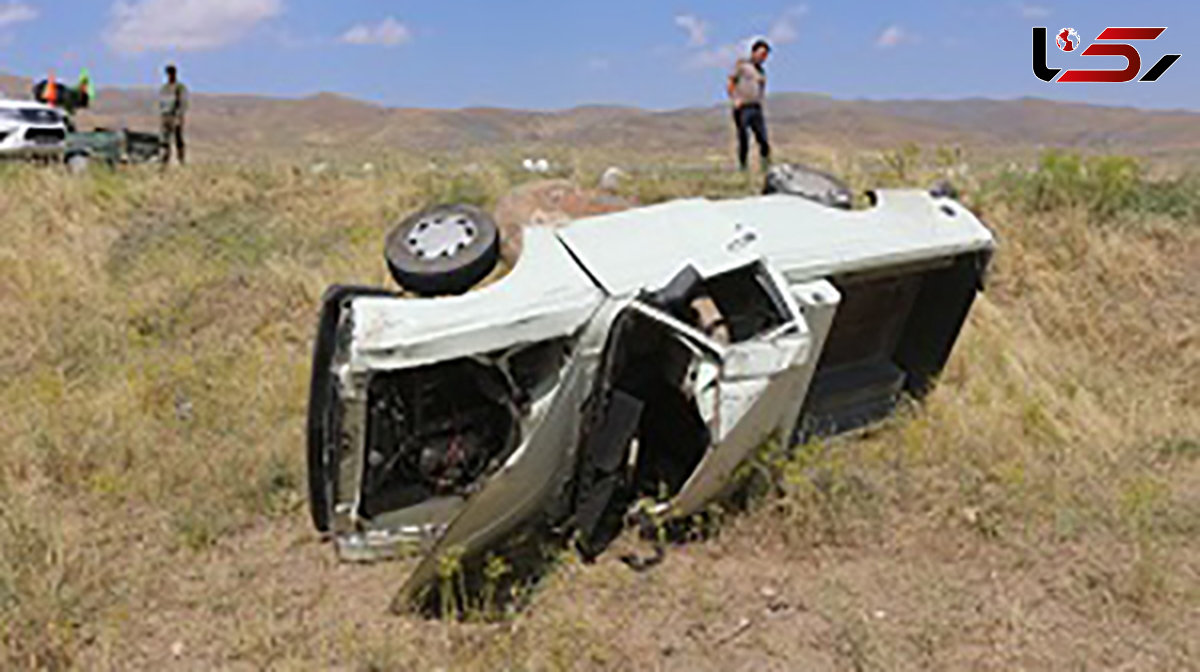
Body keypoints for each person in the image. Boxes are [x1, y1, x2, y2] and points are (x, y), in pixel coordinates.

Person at [727, 40, 771, 171]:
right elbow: (731, 82)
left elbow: (762, 88)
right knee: (744, 139)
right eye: (761, 53)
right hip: (743, 108)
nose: (763, 57)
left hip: (756, 108)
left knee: (763, 140)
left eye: (765, 55)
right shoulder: (742, 66)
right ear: (754, 52)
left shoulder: (762, 72)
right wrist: (735, 99)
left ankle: (765, 168)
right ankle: (743, 167)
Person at [159, 64, 188, 165]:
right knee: (164, 141)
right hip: (165, 117)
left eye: (171, 72)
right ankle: (164, 161)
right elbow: (162, 103)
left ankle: (181, 160)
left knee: (178, 140)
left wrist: (179, 118)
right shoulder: (164, 88)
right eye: (168, 72)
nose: (170, 75)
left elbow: (183, 103)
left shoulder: (179, 87)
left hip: (175, 116)